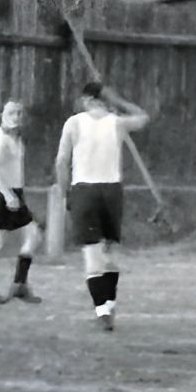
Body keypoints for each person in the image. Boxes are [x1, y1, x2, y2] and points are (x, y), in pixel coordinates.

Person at [55, 81, 150, 332]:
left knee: (92, 254)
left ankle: (102, 310)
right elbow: (143, 117)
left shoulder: (73, 123)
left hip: (85, 189)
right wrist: (117, 99)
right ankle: (109, 303)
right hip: (111, 191)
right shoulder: (116, 122)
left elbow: (61, 161)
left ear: (86, 99)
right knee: (109, 254)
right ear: (103, 99)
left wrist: (65, 192)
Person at [0, 100, 43, 305]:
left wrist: (16, 193)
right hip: (1, 193)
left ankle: (20, 284)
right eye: (12, 113)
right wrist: (7, 195)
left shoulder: (16, 139)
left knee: (34, 234)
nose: (16, 117)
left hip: (15, 192)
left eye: (19, 113)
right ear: (2, 115)